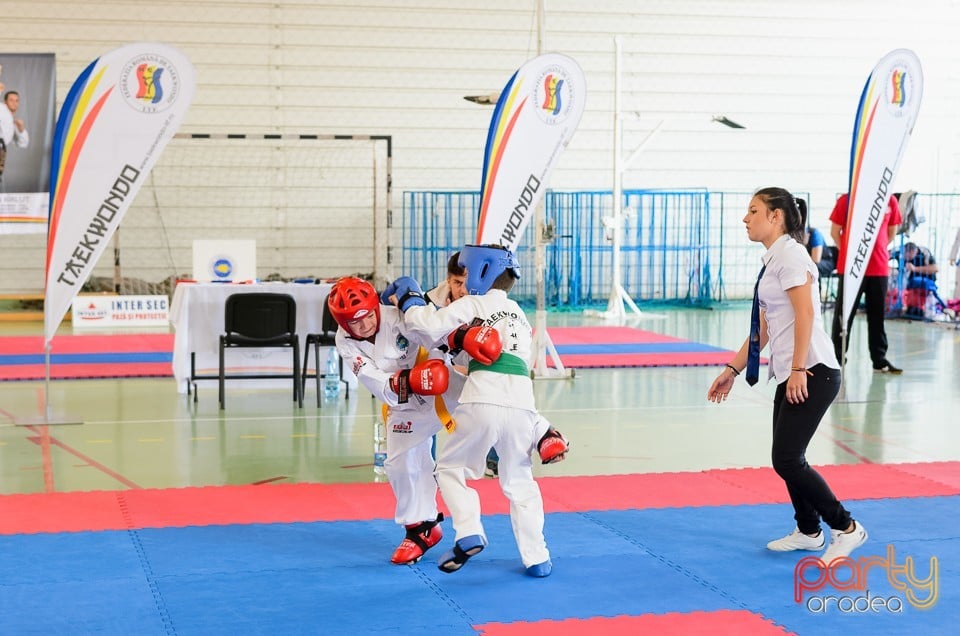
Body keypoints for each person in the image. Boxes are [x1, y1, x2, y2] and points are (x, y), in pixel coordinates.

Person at [707, 187, 867, 564]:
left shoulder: (792, 256)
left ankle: (846, 528)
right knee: (787, 456)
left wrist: (798, 369)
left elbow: (806, 314)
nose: (746, 218)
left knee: (787, 458)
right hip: (794, 371)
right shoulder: (774, 260)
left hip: (814, 371)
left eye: (753, 210)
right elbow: (761, 325)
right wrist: (732, 369)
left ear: (776, 215)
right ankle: (809, 531)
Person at [386, 244, 558, 577]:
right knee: (521, 482)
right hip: (524, 405)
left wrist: (410, 298)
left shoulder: (473, 303)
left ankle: (468, 531)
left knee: (449, 468)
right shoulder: (519, 314)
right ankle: (537, 557)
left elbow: (428, 324)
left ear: (480, 271)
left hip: (481, 398)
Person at [326, 276, 465, 566]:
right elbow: (373, 380)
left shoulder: (396, 314)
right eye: (354, 322)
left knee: (491, 409)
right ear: (342, 323)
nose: (363, 325)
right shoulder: (345, 341)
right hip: (405, 400)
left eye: (366, 316)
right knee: (400, 464)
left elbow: (432, 327)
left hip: (443, 379)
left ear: (375, 307)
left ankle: (540, 433)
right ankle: (421, 529)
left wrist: (417, 301)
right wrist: (412, 380)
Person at [421, 251, 569, 478]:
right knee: (433, 384)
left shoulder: (482, 303)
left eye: (465, 282)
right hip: (437, 372)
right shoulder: (431, 304)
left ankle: (510, 450)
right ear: (447, 280)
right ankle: (543, 431)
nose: (462, 289)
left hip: (479, 380)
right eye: (457, 283)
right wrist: (410, 303)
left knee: (494, 394)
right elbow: (424, 332)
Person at [829, 192, 903, 373]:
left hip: (878, 268)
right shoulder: (847, 200)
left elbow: (892, 230)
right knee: (844, 313)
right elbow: (835, 231)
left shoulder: (889, 200)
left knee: (877, 314)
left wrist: (878, 249)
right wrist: (849, 253)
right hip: (851, 269)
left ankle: (879, 359)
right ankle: (836, 358)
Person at [891, 242, 944, 318]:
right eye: (905, 254)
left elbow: (935, 268)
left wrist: (915, 269)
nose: (907, 257)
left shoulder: (924, 253)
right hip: (906, 285)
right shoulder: (898, 252)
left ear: (914, 251)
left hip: (923, 285)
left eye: (909, 254)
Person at [796, 198, 835, 280]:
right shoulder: (794, 236)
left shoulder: (815, 234)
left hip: (826, 261)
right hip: (810, 261)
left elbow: (815, 259)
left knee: (813, 268)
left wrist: (804, 245)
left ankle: (814, 292)